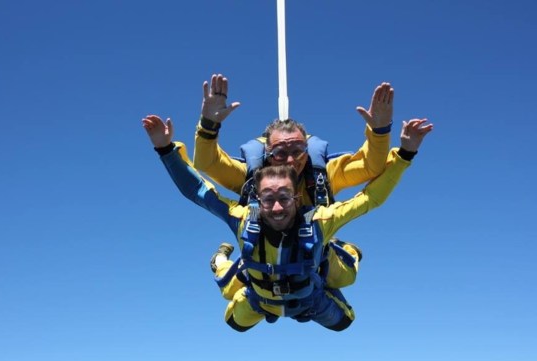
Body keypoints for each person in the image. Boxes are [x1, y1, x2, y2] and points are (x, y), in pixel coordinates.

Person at [142, 114, 433, 332]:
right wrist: (165, 150)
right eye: (268, 199)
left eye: (284, 197)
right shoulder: (243, 218)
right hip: (258, 295)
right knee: (233, 316)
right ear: (257, 199)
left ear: (297, 197)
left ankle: (344, 251)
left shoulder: (320, 220)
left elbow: (370, 198)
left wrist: (405, 154)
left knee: (344, 310)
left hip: (310, 292)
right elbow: (199, 191)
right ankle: (220, 258)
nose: (278, 207)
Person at [193, 73, 395, 290]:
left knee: (344, 278)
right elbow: (207, 163)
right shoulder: (252, 178)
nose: (290, 161)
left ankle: (347, 250)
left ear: (307, 151)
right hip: (263, 252)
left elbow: (370, 167)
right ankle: (220, 260)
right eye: (280, 152)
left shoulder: (322, 175)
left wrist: (379, 132)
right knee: (231, 289)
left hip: (312, 249)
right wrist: (209, 125)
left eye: (297, 151)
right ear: (268, 154)